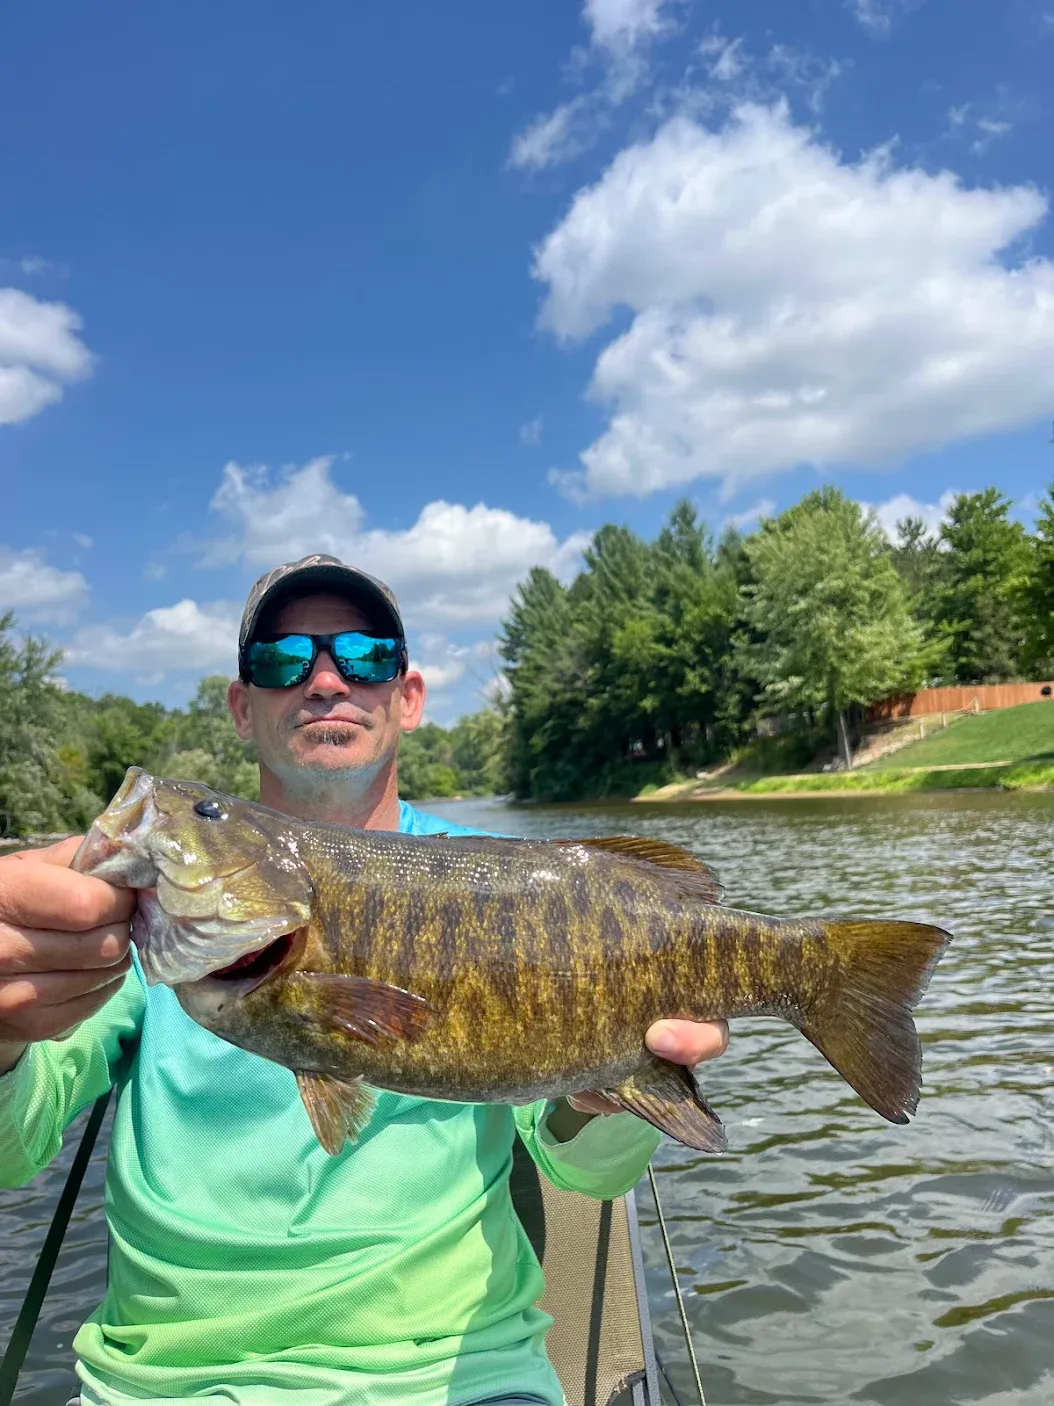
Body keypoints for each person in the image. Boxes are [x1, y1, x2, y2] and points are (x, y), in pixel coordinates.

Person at [0, 555, 729, 1406]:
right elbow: (16, 1150)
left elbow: (588, 1174)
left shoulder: (511, 884)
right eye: (283, 660)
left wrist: (612, 1096)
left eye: (365, 656)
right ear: (241, 706)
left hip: (463, 1379)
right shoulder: (146, 916)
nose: (325, 680)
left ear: (407, 697)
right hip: (166, 1385)